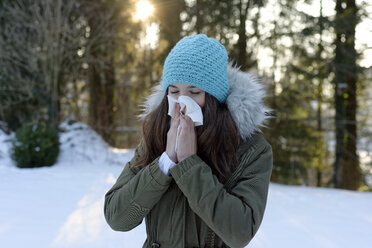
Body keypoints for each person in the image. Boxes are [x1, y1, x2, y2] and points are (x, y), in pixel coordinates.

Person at [104, 34, 273, 248]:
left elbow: (240, 232)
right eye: (174, 91)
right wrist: (165, 162)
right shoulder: (155, 138)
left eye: (194, 92)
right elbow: (117, 218)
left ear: (215, 98)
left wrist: (189, 164)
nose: (182, 102)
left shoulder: (251, 151)